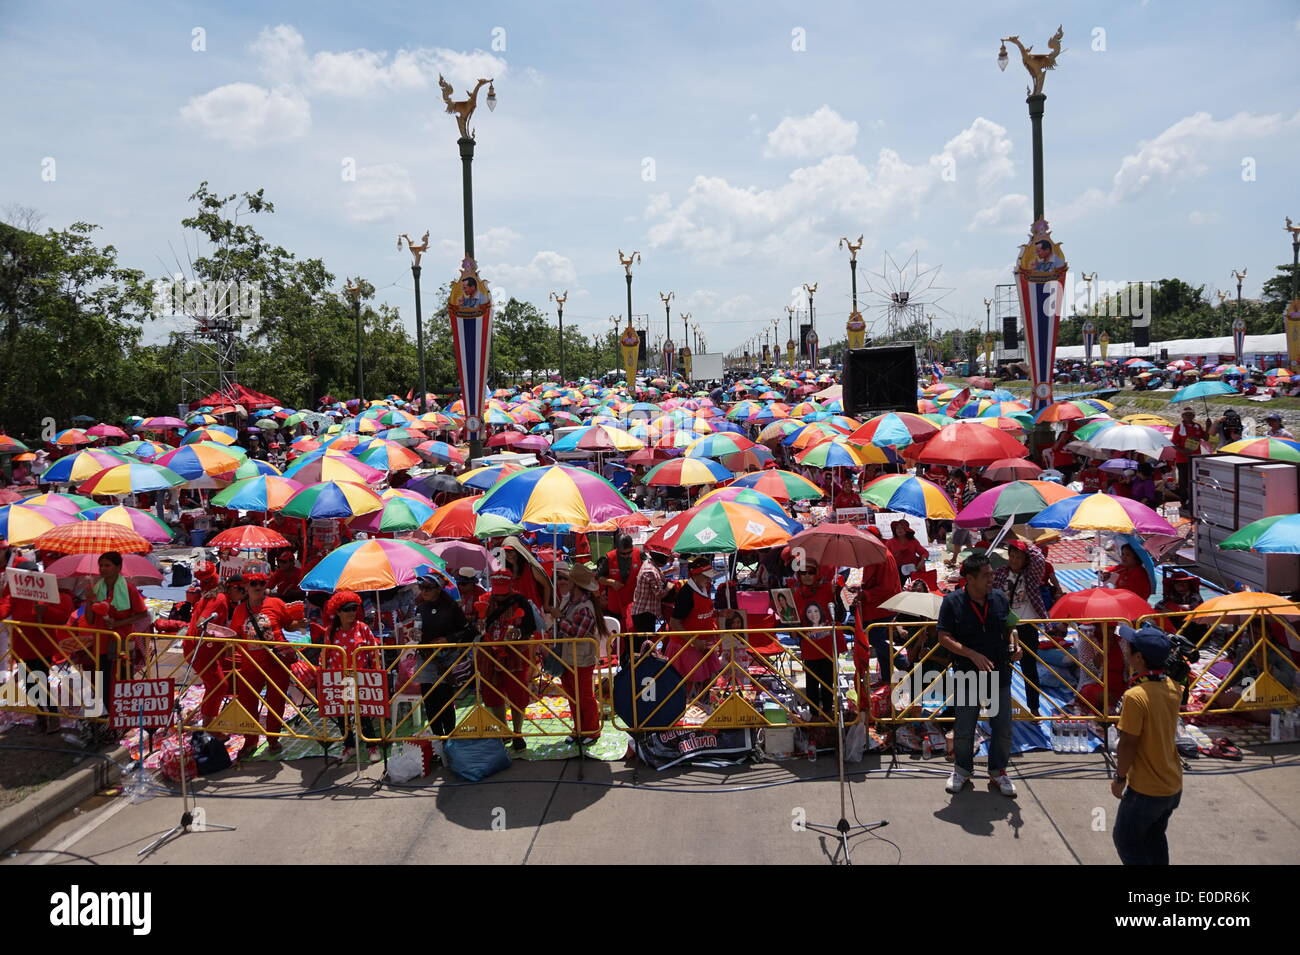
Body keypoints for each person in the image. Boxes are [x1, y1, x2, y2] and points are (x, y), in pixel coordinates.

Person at [937, 553, 1019, 797]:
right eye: (986, 575)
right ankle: (962, 769)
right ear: (970, 579)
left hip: (998, 672)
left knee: (1002, 725)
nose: (991, 579)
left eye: (991, 574)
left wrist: (1016, 641)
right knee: (965, 726)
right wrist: (971, 654)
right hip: (967, 673)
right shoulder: (952, 602)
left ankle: (998, 772)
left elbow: (1010, 624)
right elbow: (944, 636)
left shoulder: (999, 598)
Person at [1111, 624, 1183, 865]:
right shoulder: (1174, 687)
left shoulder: (1136, 696)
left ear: (1139, 658)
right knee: (1154, 837)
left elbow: (1128, 744)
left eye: (1129, 649)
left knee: (1126, 840)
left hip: (1146, 790)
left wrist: (1120, 778)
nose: (1126, 652)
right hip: (1172, 784)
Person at [0, 558, 74, 733]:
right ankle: (41, 719)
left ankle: (53, 718)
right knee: (30, 683)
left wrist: (45, 611)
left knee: (41, 680)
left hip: (42, 643)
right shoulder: (13, 592)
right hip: (22, 644)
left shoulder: (47, 590)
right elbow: (5, 608)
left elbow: (62, 614)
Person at [228, 571, 294, 759]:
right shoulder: (240, 610)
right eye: (254, 583)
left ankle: (273, 739)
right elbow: (235, 635)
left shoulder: (276, 603)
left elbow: (289, 625)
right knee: (248, 702)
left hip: (277, 661)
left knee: (276, 701)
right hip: (251, 664)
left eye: (262, 583)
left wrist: (299, 623)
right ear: (246, 587)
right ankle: (250, 742)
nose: (258, 587)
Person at [475, 570, 538, 749]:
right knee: (492, 694)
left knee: (517, 694)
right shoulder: (485, 600)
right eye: (497, 591)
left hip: (515, 655)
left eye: (503, 591)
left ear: (511, 586)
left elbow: (530, 628)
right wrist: (479, 625)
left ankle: (518, 733)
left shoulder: (522, 602)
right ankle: (503, 731)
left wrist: (517, 633)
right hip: (489, 654)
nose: (500, 596)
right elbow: (475, 625)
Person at [320, 591, 382, 762]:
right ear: (338, 612)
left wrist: (375, 675)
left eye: (354, 608)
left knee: (364, 715)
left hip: (361, 678)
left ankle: (372, 746)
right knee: (343, 715)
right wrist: (324, 676)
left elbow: (374, 652)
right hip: (340, 680)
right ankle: (349, 746)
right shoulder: (331, 631)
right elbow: (325, 655)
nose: (352, 612)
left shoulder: (363, 628)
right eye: (347, 609)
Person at [412, 572, 472, 741]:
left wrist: (448, 639)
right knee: (429, 701)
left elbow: (468, 630)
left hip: (446, 659)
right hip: (426, 658)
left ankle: (449, 737)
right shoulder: (420, 608)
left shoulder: (452, 606)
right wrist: (414, 633)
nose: (424, 591)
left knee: (445, 700)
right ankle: (437, 738)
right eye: (421, 587)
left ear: (439, 589)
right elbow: (418, 631)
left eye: (428, 588)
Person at [552, 563, 606, 743]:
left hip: (581, 658)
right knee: (573, 697)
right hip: (570, 656)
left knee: (584, 697)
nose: (562, 581)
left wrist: (559, 617)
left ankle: (592, 731)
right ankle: (579, 730)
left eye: (565, 579)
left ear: (574, 583)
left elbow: (577, 633)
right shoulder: (572, 602)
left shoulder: (584, 607)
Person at [993, 540, 1046, 716]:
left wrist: (1028, 544)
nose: (1015, 560)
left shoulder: (1031, 574)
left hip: (1027, 626)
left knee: (1029, 668)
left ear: (1025, 560)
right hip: (1006, 626)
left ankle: (1034, 708)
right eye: (1012, 556)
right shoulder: (1000, 573)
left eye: (1019, 557)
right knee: (1002, 667)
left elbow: (1039, 559)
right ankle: (1000, 707)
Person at [788, 561, 840, 722]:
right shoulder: (796, 594)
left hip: (826, 645)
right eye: (803, 573)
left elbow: (839, 609)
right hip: (809, 646)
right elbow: (793, 618)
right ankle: (814, 715)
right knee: (811, 683)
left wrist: (838, 590)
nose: (807, 576)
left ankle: (827, 712)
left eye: (811, 572)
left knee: (827, 682)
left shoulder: (827, 589)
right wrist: (793, 632)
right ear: (799, 575)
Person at [666, 555, 723, 700]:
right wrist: (694, 641)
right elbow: (674, 622)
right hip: (685, 647)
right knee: (687, 686)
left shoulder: (704, 587)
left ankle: (702, 711)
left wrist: (719, 613)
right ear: (695, 575)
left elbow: (702, 611)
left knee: (708, 682)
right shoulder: (686, 594)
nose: (710, 580)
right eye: (706, 576)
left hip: (703, 645)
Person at [186, 561, 231, 728]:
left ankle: (208, 722)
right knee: (219, 686)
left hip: (198, 648)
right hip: (200, 649)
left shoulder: (211, 596)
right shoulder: (218, 598)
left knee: (213, 685)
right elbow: (202, 624)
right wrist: (226, 636)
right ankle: (209, 727)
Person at [628, 549, 670, 656]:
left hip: (644, 612)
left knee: (644, 644)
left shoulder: (649, 564)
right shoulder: (650, 571)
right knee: (644, 646)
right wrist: (669, 588)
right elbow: (659, 594)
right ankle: (641, 668)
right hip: (645, 613)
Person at [596, 534, 640, 631]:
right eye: (623, 554)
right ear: (617, 549)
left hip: (634, 603)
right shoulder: (610, 557)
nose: (626, 556)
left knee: (632, 633)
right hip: (616, 604)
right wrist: (611, 582)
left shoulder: (639, 554)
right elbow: (598, 577)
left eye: (629, 553)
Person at [1171, 409, 1208, 505]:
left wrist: (1208, 427)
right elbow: (1173, 444)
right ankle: (1184, 502)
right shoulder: (1179, 428)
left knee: (1195, 480)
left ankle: (1194, 500)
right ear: (1182, 416)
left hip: (1195, 458)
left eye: (1191, 414)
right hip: (1182, 459)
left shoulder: (1197, 426)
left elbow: (1206, 438)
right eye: (1186, 415)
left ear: (1193, 416)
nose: (1188, 416)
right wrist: (1183, 451)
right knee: (1184, 481)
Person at [886, 519, 928, 586]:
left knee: (917, 589)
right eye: (897, 528)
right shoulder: (890, 542)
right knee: (898, 590)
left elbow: (925, 553)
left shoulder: (913, 541)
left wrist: (923, 560)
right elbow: (886, 557)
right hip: (897, 570)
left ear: (907, 530)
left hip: (913, 569)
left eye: (902, 528)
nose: (899, 530)